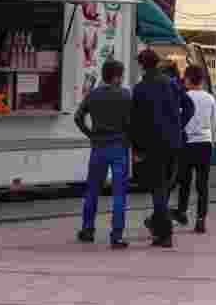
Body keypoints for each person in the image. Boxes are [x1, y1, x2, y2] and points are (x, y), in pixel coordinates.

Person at [131, 48, 195, 248]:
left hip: (153, 144)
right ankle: (160, 229)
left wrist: (137, 147)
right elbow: (189, 107)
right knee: (165, 186)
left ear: (142, 65)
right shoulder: (172, 83)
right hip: (174, 143)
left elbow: (136, 121)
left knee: (158, 189)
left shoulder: (140, 89)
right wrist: (178, 126)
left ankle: (164, 233)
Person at [74, 59, 133, 249]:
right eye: (121, 75)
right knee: (119, 194)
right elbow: (132, 122)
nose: (122, 79)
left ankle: (88, 229)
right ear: (116, 76)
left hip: (98, 147)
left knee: (92, 190)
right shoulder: (126, 95)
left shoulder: (94, 95)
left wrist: (90, 134)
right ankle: (116, 236)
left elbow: (78, 117)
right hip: (119, 147)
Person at [172, 64, 216, 234]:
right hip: (204, 144)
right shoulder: (209, 98)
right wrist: (214, 142)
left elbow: (177, 120)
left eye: (185, 78)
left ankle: (182, 212)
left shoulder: (183, 97)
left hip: (186, 143)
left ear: (190, 79)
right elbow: (215, 125)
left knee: (184, 182)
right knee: (202, 184)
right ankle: (201, 219)